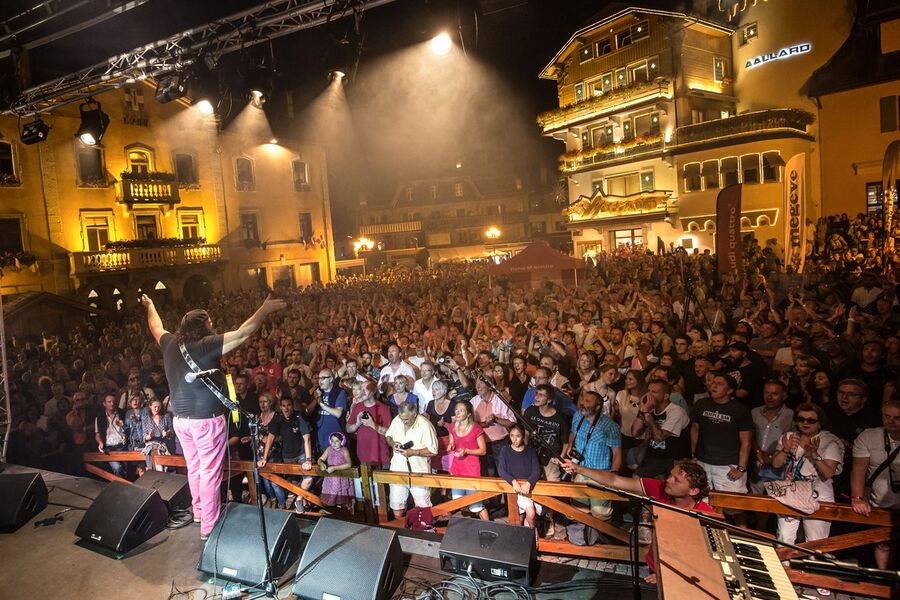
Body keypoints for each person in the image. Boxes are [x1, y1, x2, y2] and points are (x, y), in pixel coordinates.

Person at [141, 293, 286, 540]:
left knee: (195, 468)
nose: (212, 325)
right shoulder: (205, 344)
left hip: (181, 422)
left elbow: (155, 325)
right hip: (206, 421)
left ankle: (199, 513)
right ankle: (209, 526)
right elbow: (242, 333)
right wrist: (263, 310)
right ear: (203, 325)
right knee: (209, 472)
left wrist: (151, 305)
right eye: (209, 322)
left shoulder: (169, 343)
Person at [558, 457, 714, 584]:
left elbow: (707, 561)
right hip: (656, 567)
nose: (668, 480)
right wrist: (580, 469)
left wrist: (670, 575)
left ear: (693, 491)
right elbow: (614, 480)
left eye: (676, 480)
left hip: (683, 575)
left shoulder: (705, 515)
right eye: (670, 475)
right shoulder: (659, 488)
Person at [770, 403, 843, 545]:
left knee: (816, 542)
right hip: (790, 494)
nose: (805, 423)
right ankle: (784, 567)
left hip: (818, 497)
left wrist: (814, 454)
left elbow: (828, 473)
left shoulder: (830, 442)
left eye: (811, 420)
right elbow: (776, 464)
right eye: (801, 419)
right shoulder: (789, 437)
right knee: (784, 537)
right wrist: (785, 449)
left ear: (820, 423)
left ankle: (811, 567)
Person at [690, 374, 752, 523]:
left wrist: (741, 468)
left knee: (735, 508)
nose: (714, 386)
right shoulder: (701, 404)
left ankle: (742, 536)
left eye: (720, 383)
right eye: (713, 383)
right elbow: (695, 429)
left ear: (730, 390)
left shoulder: (740, 410)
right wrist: (693, 455)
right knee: (703, 505)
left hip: (728, 465)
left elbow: (746, 442)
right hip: (703, 462)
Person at [850, 397, 900, 569]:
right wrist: (857, 497)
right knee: (883, 542)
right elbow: (858, 469)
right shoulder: (869, 436)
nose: (890, 421)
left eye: (896, 418)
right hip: (880, 502)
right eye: (887, 416)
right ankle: (884, 580)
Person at [566, 389, 621, 521]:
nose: (582, 404)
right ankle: (582, 538)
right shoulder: (578, 416)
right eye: (583, 400)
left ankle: (600, 539)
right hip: (579, 471)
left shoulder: (610, 426)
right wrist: (569, 446)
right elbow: (573, 432)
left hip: (599, 475)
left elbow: (617, 452)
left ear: (598, 407)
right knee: (579, 511)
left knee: (600, 514)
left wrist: (613, 477)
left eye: (587, 401)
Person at [260, 398, 315, 513]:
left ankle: (299, 499)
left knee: (309, 478)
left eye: (289, 405)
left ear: (292, 406)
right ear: (280, 407)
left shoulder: (299, 416)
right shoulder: (278, 417)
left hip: (301, 454)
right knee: (293, 484)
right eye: (283, 406)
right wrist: (264, 458)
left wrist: (308, 459)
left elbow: (307, 438)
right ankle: (301, 501)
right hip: (287, 456)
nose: (286, 408)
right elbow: (270, 438)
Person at [384, 401, 438, 519]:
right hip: (398, 469)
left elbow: (433, 450)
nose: (403, 422)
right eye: (402, 418)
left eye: (407, 419)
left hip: (419, 472)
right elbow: (388, 436)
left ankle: (424, 533)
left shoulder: (425, 425)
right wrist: (393, 443)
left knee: (423, 508)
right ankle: (401, 531)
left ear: (415, 414)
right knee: (396, 507)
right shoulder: (397, 419)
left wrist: (414, 452)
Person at [632, 379, 690, 479]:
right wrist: (642, 411)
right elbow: (635, 432)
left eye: (654, 392)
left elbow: (659, 437)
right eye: (648, 391)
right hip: (653, 458)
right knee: (636, 479)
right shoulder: (651, 410)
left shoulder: (676, 411)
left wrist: (646, 414)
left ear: (666, 396)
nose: (649, 395)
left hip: (671, 462)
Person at [447, 399, 489, 520]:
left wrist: (467, 451)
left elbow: (483, 450)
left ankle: (489, 528)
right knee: (458, 501)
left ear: (469, 413)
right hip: (457, 468)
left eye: (461, 410)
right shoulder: (452, 427)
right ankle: (466, 531)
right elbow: (452, 443)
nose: (458, 412)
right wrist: (451, 446)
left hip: (472, 470)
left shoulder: (476, 428)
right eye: (456, 410)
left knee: (476, 505)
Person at [497, 424, 542, 529]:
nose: (515, 439)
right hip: (514, 489)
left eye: (518, 436)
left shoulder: (530, 451)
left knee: (531, 514)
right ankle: (529, 534)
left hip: (529, 488)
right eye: (512, 435)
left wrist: (529, 482)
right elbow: (501, 470)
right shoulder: (505, 450)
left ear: (523, 436)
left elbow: (536, 471)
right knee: (520, 517)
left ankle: (532, 532)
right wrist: (513, 481)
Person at [345, 381, 391, 468]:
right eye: (360, 389)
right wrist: (357, 424)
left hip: (381, 457)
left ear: (373, 391)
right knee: (365, 481)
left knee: (383, 481)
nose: (361, 392)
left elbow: (389, 432)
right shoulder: (357, 407)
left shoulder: (383, 408)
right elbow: (348, 428)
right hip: (363, 456)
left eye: (365, 389)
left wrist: (372, 424)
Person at [255, 393, 286, 509]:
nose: (262, 404)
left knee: (274, 481)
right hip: (260, 453)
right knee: (265, 481)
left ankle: (282, 503)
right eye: (260, 402)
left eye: (265, 401)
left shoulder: (277, 416)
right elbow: (258, 434)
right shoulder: (258, 417)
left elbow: (284, 435)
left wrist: (273, 439)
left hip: (273, 453)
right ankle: (273, 500)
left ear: (270, 402)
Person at [318, 432, 355, 512]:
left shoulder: (344, 450)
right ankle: (332, 512)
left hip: (341, 479)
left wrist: (334, 468)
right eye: (332, 441)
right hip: (330, 479)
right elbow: (320, 459)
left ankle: (343, 513)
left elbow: (349, 464)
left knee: (341, 499)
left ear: (342, 441)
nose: (334, 443)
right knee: (331, 498)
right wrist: (321, 463)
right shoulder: (329, 449)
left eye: (337, 441)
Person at [94, 392, 127, 478]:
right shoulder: (100, 416)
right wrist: (100, 443)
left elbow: (128, 429)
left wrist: (125, 433)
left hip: (121, 446)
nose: (112, 404)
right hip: (109, 448)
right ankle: (121, 487)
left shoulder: (122, 413)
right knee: (117, 468)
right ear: (104, 403)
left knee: (125, 469)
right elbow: (97, 434)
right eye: (109, 402)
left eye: (113, 401)